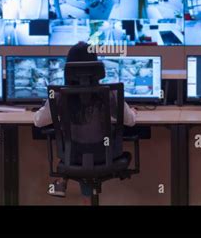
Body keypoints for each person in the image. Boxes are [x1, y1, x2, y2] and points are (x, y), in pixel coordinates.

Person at [34, 42, 137, 199]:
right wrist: (132, 112)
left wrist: (45, 108)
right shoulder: (110, 94)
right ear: (97, 67)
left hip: (72, 158)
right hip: (106, 157)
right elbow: (130, 121)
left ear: (68, 68)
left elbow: (39, 122)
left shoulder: (59, 95)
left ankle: (63, 180)